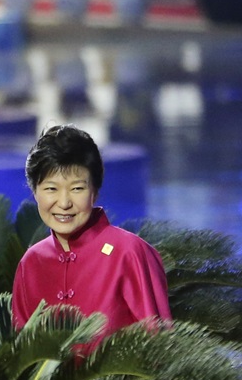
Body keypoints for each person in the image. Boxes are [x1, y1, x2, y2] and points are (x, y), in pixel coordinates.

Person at [11, 124, 171, 345]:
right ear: (34, 192)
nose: (64, 203)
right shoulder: (31, 262)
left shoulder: (129, 252)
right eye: (51, 189)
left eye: (77, 188)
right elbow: (21, 350)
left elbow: (160, 348)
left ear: (95, 192)